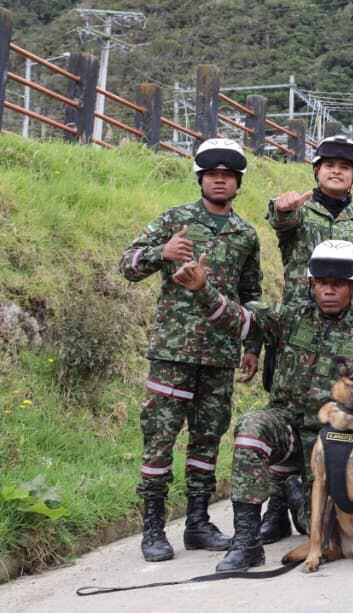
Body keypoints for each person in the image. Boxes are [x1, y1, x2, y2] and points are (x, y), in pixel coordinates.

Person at [214, 240, 353, 572]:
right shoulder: (289, 316)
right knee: (251, 426)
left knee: (319, 529)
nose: (329, 290)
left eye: (339, 283)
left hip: (331, 440)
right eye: (322, 283)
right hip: (286, 423)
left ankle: (292, 493)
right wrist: (201, 289)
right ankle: (247, 541)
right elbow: (238, 319)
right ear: (311, 284)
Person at [119, 137, 262, 562]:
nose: (220, 181)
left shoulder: (245, 234)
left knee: (207, 439)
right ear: (201, 178)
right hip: (173, 353)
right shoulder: (175, 220)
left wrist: (251, 345)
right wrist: (160, 252)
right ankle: (153, 528)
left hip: (219, 355)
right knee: (160, 440)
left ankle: (198, 522)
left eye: (228, 176)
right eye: (213, 174)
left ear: (237, 183)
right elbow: (126, 264)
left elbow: (250, 295)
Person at [261, 133, 353, 541]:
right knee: (283, 412)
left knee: (335, 423)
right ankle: (275, 507)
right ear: (316, 170)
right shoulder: (302, 216)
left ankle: (321, 496)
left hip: (349, 345)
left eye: (345, 165)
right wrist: (281, 209)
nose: (336, 169)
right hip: (298, 333)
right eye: (328, 164)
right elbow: (280, 221)